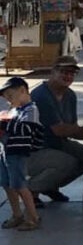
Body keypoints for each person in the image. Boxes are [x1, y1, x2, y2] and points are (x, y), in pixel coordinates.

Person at [27, 56, 83, 205]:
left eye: (72, 73)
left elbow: (73, 129)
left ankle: (50, 185)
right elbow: (61, 130)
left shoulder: (70, 95)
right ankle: (31, 191)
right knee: (67, 163)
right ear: (53, 72)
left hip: (55, 144)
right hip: (31, 150)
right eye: (63, 72)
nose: (68, 76)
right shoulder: (41, 96)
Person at [1, 76, 44, 232]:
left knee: (19, 185)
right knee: (7, 183)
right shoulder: (15, 110)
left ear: (22, 90)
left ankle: (32, 217)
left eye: (10, 97)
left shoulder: (31, 109)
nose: (8, 101)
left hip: (18, 152)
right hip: (6, 150)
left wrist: (6, 124)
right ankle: (17, 214)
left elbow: (26, 129)